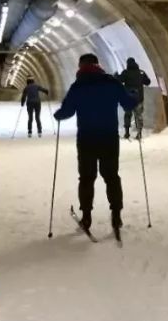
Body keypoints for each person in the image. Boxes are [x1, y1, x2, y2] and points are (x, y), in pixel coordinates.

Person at [53, 53, 136, 233]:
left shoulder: (78, 86)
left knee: (86, 178)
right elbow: (128, 105)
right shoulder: (112, 83)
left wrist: (58, 114)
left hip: (87, 138)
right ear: (98, 65)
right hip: (109, 137)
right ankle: (116, 215)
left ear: (80, 67)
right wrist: (134, 96)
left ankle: (87, 217)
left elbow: (67, 112)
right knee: (112, 176)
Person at [117, 58, 151, 140]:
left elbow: (119, 80)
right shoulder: (141, 72)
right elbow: (148, 82)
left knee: (127, 115)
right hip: (139, 98)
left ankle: (127, 133)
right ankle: (139, 133)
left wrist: (116, 76)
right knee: (138, 115)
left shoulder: (125, 72)